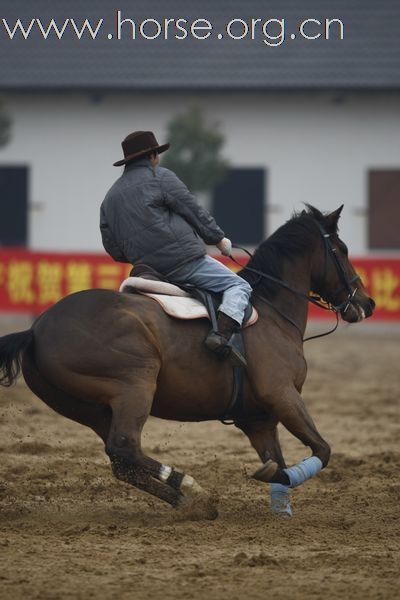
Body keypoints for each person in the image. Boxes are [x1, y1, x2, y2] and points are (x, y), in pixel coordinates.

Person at [100, 130, 252, 367]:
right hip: (184, 264)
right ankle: (220, 336)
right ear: (152, 155)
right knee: (238, 285)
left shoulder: (109, 199)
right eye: (156, 154)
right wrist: (219, 240)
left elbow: (113, 249)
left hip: (146, 271)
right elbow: (193, 210)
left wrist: (139, 253)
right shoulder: (160, 177)